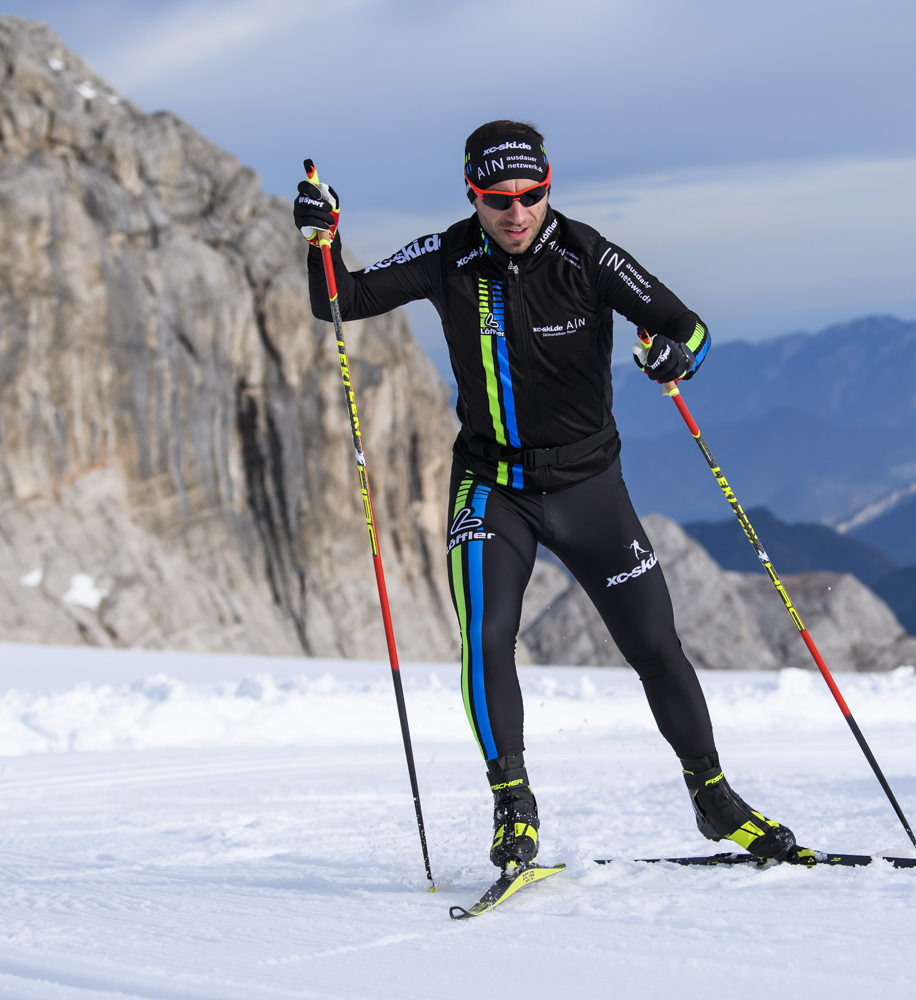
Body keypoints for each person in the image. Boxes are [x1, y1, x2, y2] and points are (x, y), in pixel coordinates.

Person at [294, 120, 797, 871]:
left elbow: (687, 327)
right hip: (493, 487)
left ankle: (714, 798)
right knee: (486, 638)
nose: (517, 212)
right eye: (498, 199)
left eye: (531, 195)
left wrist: (674, 355)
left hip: (589, 485)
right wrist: (323, 241)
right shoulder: (448, 254)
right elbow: (340, 301)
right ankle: (514, 807)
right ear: (473, 195)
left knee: (655, 645)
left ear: (549, 187)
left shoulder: (587, 254)